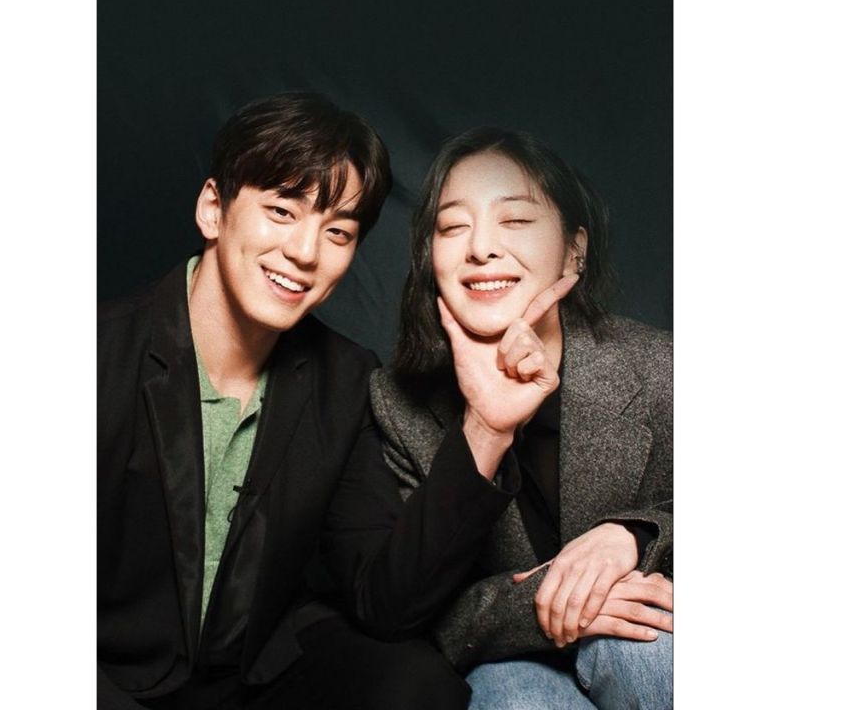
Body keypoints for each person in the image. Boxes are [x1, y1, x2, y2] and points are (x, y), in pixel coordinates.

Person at [98, 94, 535, 710]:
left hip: (251, 680)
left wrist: (486, 430)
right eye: (281, 211)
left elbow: (385, 603)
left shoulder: (344, 379)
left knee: (417, 684)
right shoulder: (99, 354)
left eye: (337, 232)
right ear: (214, 209)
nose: (305, 252)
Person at [370, 127, 673, 709]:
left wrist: (634, 536)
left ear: (574, 249)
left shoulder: (664, 369)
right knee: (512, 696)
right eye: (452, 226)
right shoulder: (395, 403)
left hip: (649, 645)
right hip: (510, 664)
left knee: (640, 648)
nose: (481, 247)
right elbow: (406, 612)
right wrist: (486, 428)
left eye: (514, 220)